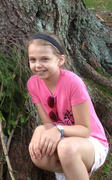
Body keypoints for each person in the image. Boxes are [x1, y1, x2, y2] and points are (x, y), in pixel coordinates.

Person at [27, 32, 109, 180]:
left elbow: (85, 130)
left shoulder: (73, 83)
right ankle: (73, 170)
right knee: (39, 155)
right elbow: (48, 124)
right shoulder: (33, 84)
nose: (38, 65)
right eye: (33, 59)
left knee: (67, 149)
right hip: (64, 140)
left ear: (60, 60)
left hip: (91, 141)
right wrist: (39, 129)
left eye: (45, 59)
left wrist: (59, 129)